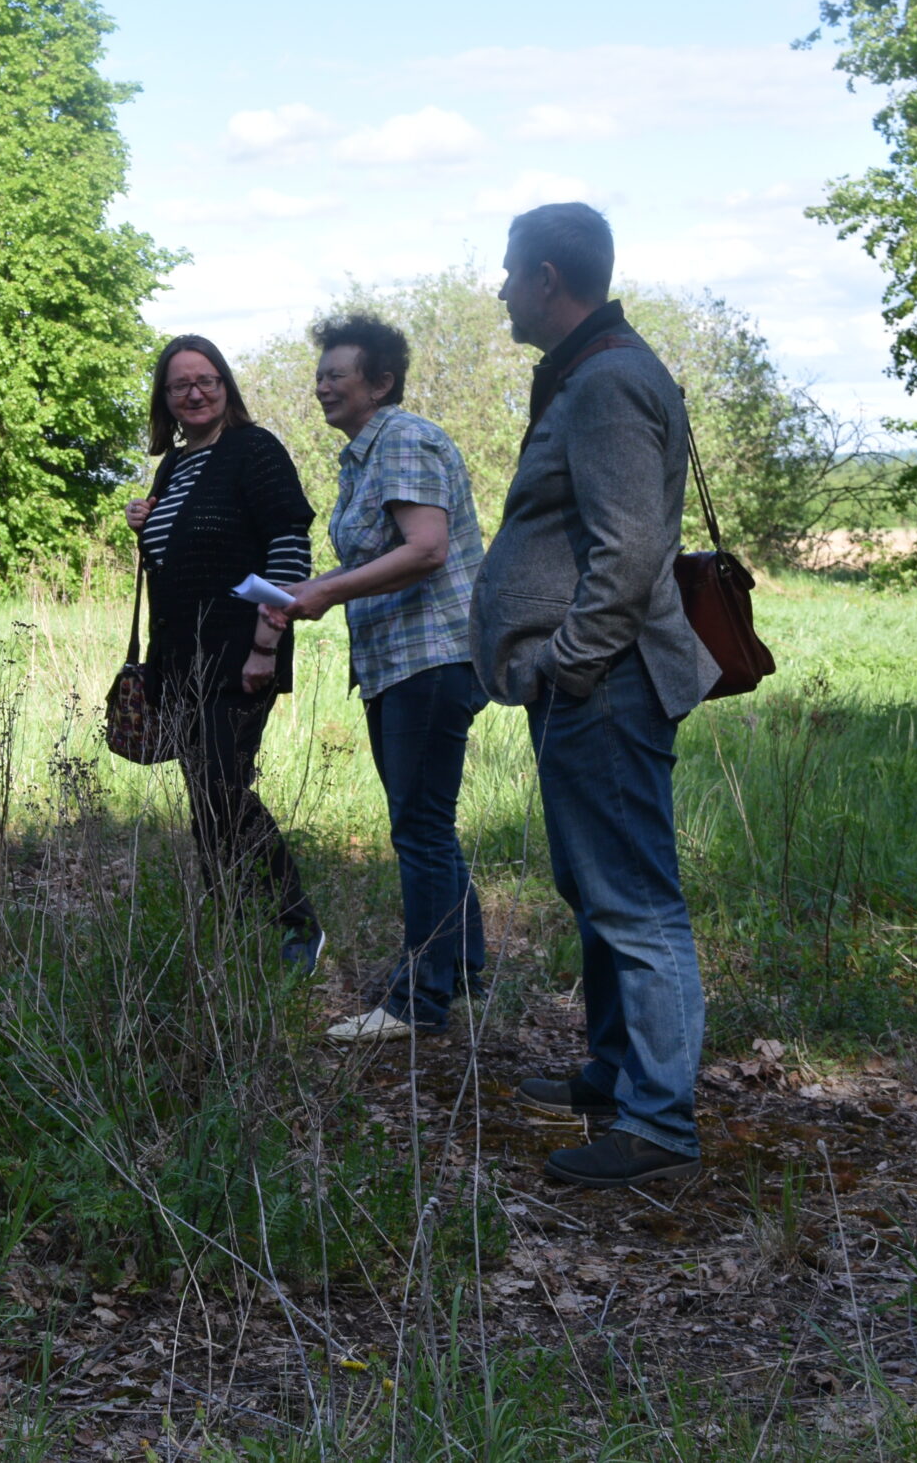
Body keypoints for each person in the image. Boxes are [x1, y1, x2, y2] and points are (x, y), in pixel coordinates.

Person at [474, 203, 717, 1189]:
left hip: (605, 681)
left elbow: (624, 555)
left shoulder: (609, 381)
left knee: (634, 903)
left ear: (544, 278)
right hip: (595, 681)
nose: (497, 291)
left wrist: (566, 662)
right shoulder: (599, 370)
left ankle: (656, 1125)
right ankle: (617, 1079)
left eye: (505, 273)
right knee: (600, 891)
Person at [267, 312, 489, 1040]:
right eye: (320, 373)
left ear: (381, 381)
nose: (322, 384)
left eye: (337, 373)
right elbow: (380, 556)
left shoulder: (403, 438)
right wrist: (309, 591)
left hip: (431, 656)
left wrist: (327, 590)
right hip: (399, 662)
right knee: (429, 824)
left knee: (419, 829)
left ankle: (416, 1003)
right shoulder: (365, 455)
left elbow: (426, 548)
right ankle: (463, 970)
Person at [123, 335, 322, 970]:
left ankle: (298, 925)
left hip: (241, 653)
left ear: (225, 385)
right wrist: (146, 523)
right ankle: (233, 926)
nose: (195, 392)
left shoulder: (254, 451)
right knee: (205, 795)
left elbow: (288, 551)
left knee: (222, 789)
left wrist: (267, 644)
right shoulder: (174, 466)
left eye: (206, 379)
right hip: (178, 659)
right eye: (180, 384)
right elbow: (177, 563)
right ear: (166, 399)